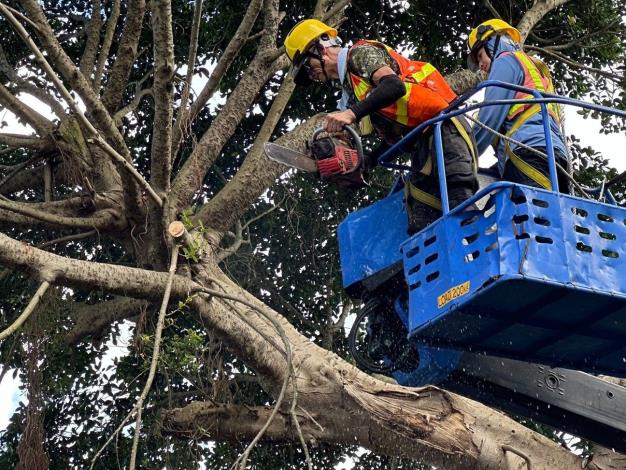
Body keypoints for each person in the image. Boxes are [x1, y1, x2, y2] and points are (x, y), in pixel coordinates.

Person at [284, 19, 478, 234]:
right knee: (421, 219)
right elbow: (393, 139)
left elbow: (393, 85)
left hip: (445, 127)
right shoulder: (353, 92)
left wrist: (351, 113)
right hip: (422, 144)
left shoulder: (358, 54)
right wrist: (369, 161)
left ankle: (481, 250)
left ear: (319, 48)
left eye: (308, 68)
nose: (313, 76)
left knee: (460, 198)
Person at [467, 19, 569, 192]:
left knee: (529, 216)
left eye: (480, 56)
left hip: (528, 152)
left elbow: (489, 118)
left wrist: (462, 157)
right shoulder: (532, 67)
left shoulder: (504, 61)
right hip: (555, 154)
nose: (481, 65)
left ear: (494, 43)